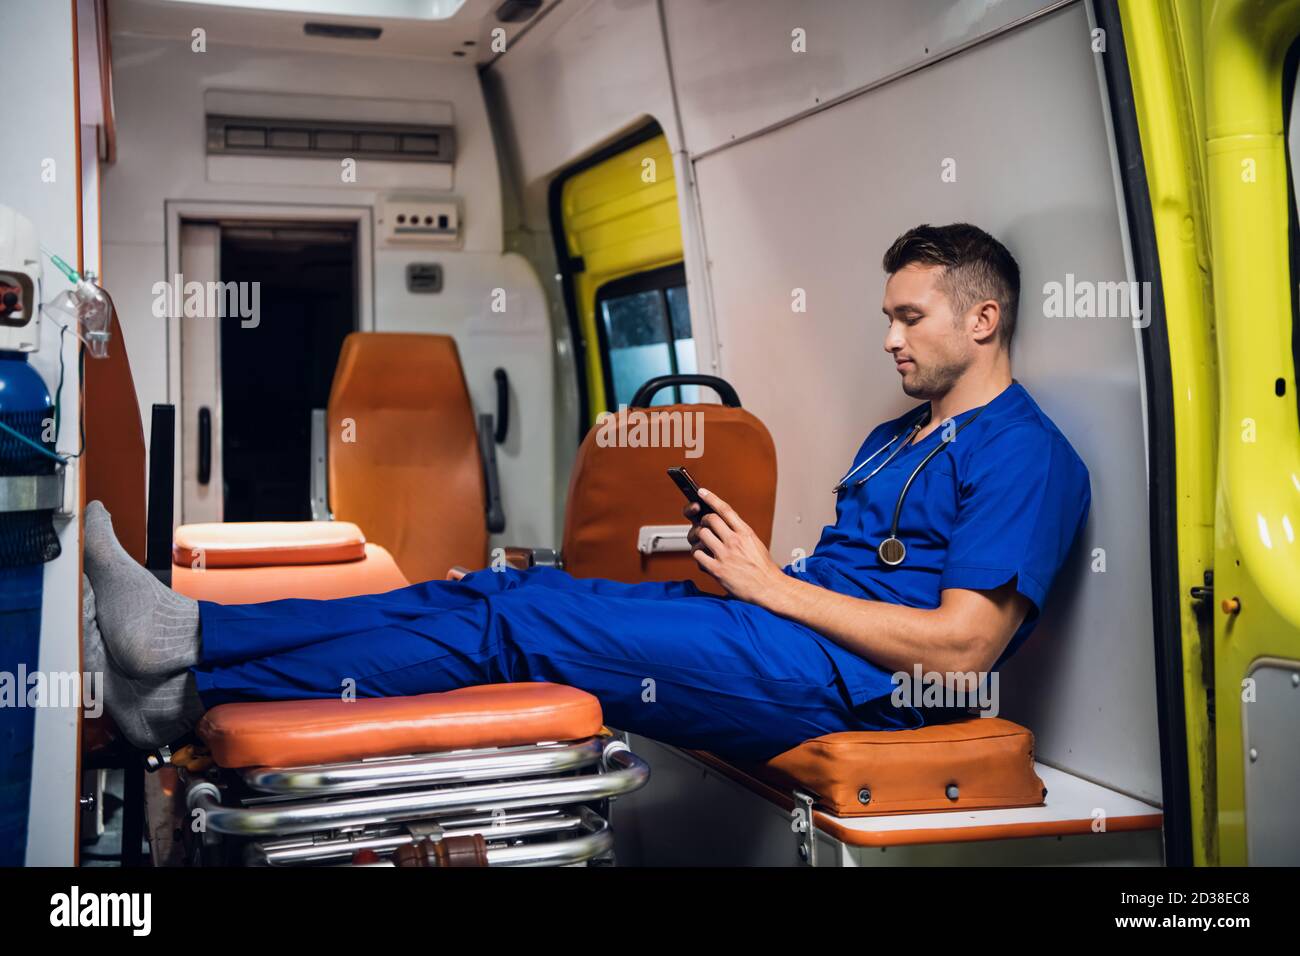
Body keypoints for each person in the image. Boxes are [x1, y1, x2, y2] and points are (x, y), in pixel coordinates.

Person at [81, 223, 1090, 763]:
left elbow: (963, 651)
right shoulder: (896, 436)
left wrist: (769, 588)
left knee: (515, 629)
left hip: (847, 692)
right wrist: (757, 567)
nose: (888, 338)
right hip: (783, 630)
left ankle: (193, 665)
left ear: (984, 317)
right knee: (491, 590)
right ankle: (184, 652)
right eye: (887, 316)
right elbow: (851, 575)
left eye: (909, 317)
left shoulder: (1022, 454)